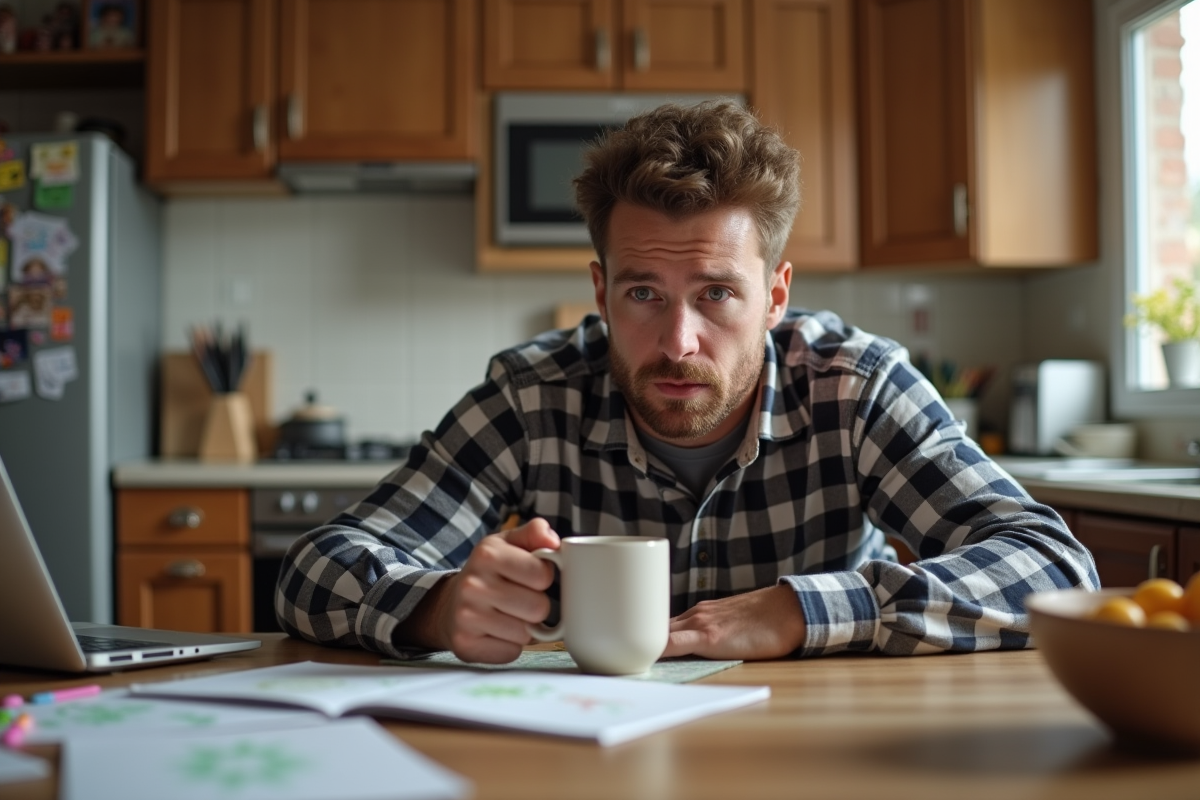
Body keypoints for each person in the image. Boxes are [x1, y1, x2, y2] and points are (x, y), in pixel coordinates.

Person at [276, 101, 1098, 663]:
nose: (678, 343)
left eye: (716, 295)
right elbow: (316, 570)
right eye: (643, 295)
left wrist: (798, 610)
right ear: (600, 291)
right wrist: (438, 606)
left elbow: (1057, 570)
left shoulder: (858, 387)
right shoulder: (533, 396)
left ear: (774, 296)